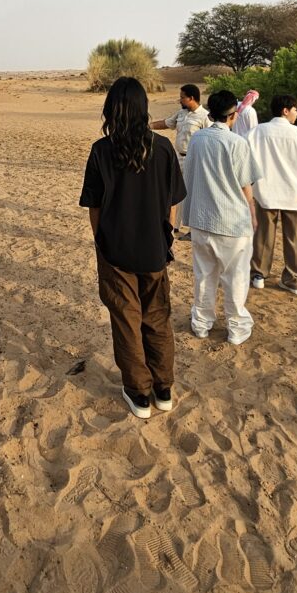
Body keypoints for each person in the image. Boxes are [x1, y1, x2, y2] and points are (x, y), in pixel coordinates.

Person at [80, 76, 186, 420]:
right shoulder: (163, 147)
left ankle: (139, 392)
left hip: (116, 250)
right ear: (144, 108)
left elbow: (95, 207)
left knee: (127, 319)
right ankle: (163, 388)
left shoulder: (101, 150)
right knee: (157, 316)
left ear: (111, 109)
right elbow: (173, 201)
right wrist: (167, 234)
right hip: (155, 247)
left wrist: (101, 241)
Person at [181, 90, 261, 345]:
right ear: (233, 115)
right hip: (232, 222)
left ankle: (201, 324)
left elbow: (190, 175)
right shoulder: (237, 143)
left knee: (204, 275)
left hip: (201, 219)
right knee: (235, 277)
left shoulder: (197, 140)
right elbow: (246, 184)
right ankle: (236, 328)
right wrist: (252, 213)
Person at [244, 94, 297, 296]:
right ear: (285, 110)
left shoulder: (256, 132)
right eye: (295, 109)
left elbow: (245, 158)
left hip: (265, 192)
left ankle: (258, 275)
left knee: (263, 236)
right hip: (293, 194)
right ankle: (293, 280)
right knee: (295, 239)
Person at [150, 84, 209, 236]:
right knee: (176, 190)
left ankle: (192, 229)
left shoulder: (204, 116)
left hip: (194, 159)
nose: (180, 100)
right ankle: (174, 225)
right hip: (178, 157)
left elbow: (209, 139)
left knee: (192, 193)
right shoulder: (181, 114)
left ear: (191, 98)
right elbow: (166, 123)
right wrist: (148, 126)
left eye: (182, 97)